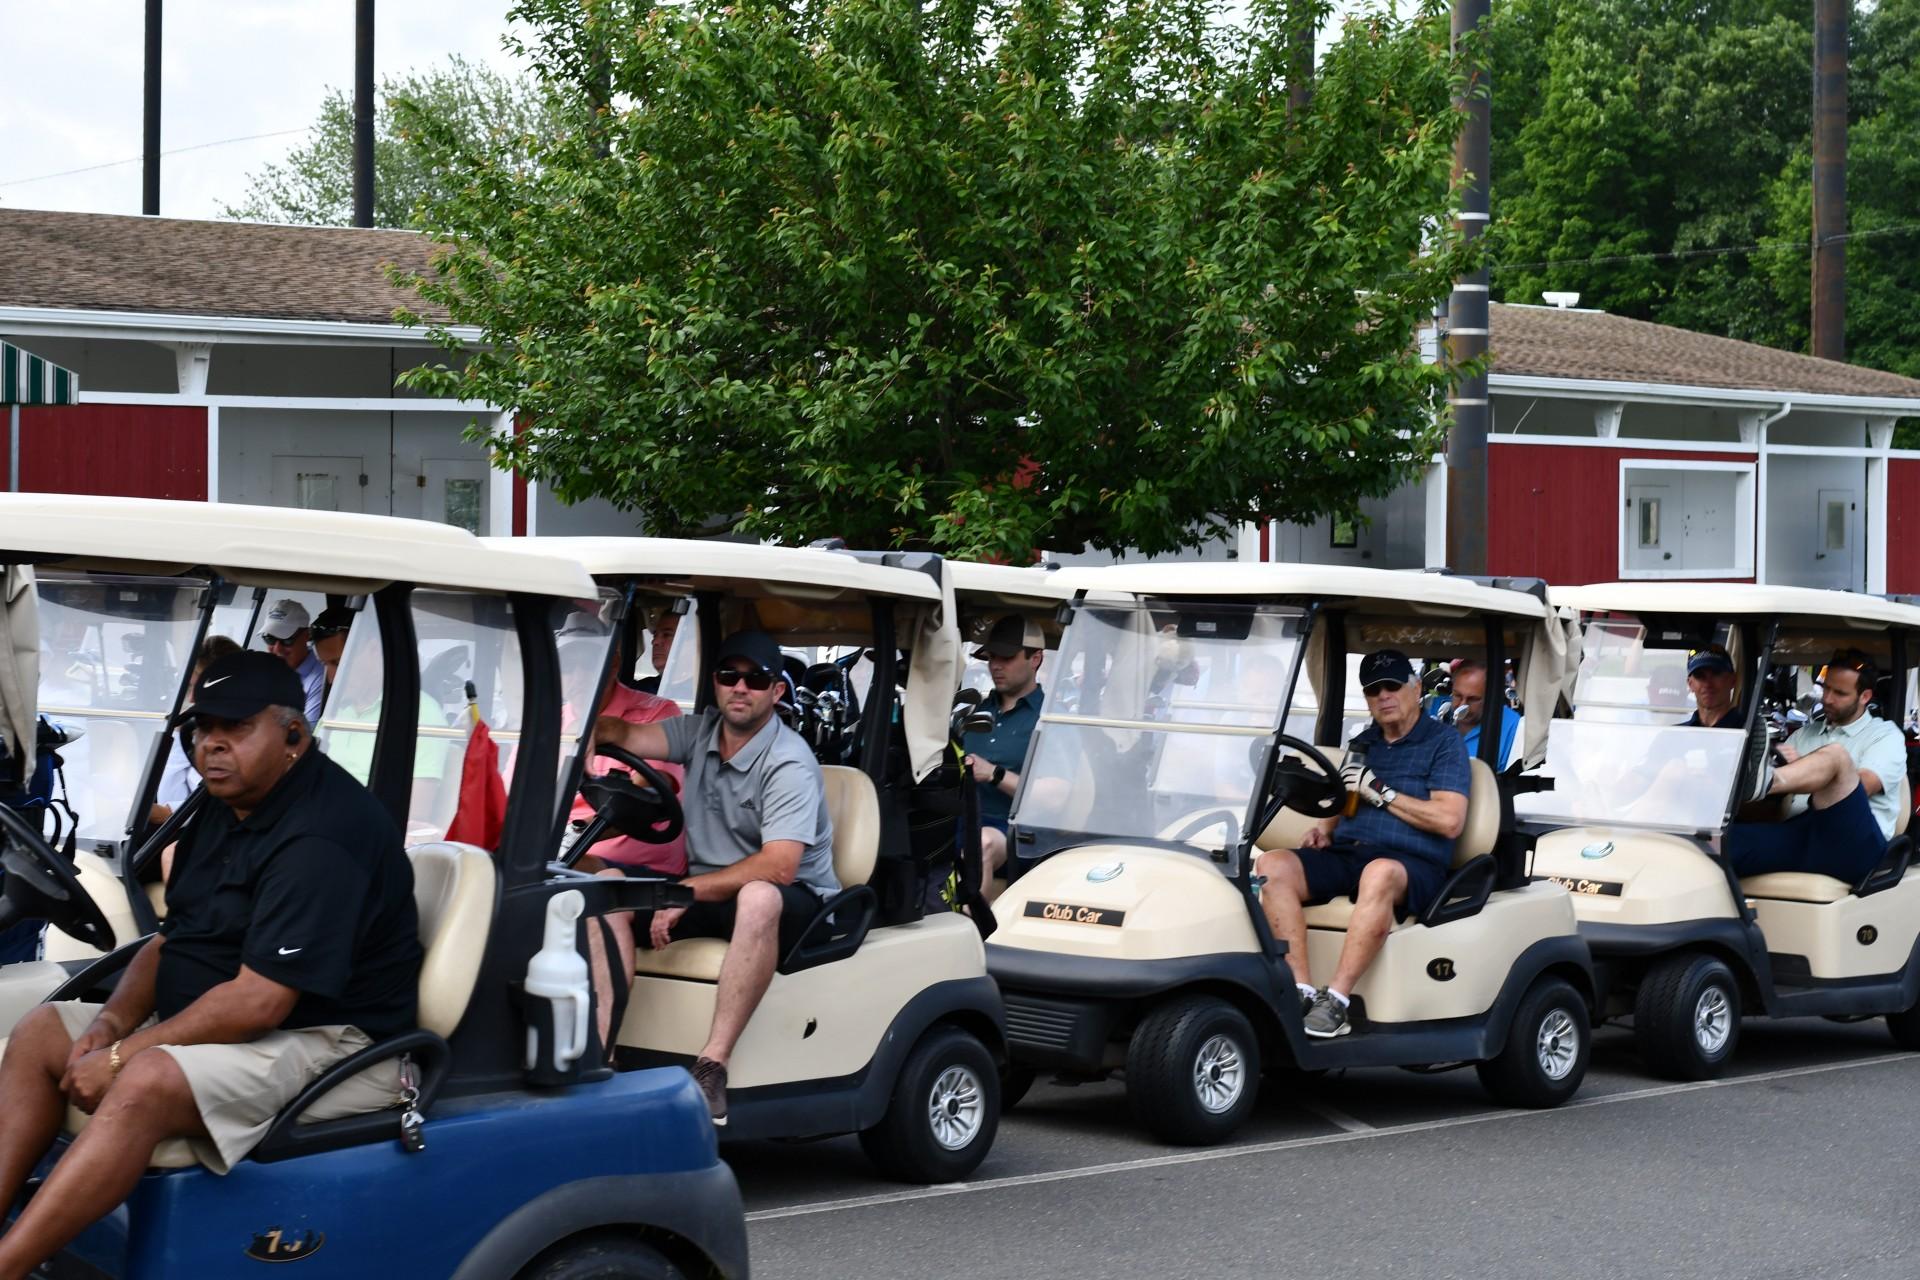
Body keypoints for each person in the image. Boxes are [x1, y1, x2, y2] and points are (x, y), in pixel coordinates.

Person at [0, 652, 420, 1276]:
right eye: (203, 729)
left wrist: (122, 1058)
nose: (212, 746)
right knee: (41, 1032)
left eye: (236, 729)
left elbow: (260, 1003)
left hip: (332, 1038)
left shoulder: (324, 836)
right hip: (232, 1022)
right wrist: (110, 1026)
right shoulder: (224, 809)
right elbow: (174, 942)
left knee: (146, 1082)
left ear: (293, 736)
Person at [592, 629, 837, 1125]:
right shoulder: (699, 732)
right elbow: (624, 735)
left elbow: (779, 866)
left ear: (777, 692)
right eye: (730, 676)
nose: (740, 688)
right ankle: (600, 1057)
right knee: (602, 884)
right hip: (709, 890)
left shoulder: (788, 760)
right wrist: (583, 718)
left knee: (759, 898)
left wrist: (685, 892)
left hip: (798, 902)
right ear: (715, 683)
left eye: (755, 679)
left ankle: (711, 1066)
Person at [1253, 649, 1471, 1039]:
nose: (1383, 696)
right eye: (1373, 691)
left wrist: (1381, 791)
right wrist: (1323, 827)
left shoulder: (1443, 743)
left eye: (1392, 686)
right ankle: (1300, 990)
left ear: (1416, 687)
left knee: (1379, 872)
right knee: (1273, 865)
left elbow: (1450, 821)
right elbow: (1346, 792)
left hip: (1413, 863)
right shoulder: (1364, 741)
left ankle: (1336, 1000)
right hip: (1352, 852)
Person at [1725, 650, 1907, 882]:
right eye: (1826, 688)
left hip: (1856, 843)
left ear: (1864, 697)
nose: (1827, 699)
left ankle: (1768, 780)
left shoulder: (1886, 735)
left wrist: (1799, 768)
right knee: (1720, 845)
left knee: (1836, 758)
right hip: (1801, 832)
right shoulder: (1804, 735)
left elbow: (1864, 786)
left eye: (1839, 693)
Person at [961, 615, 1045, 896]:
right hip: (960, 817)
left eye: (1007, 657)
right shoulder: (971, 711)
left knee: (980, 844)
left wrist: (995, 775)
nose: (996, 665)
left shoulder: (1049, 719)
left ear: (1035, 659)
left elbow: (1056, 795)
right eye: (992, 657)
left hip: (1012, 829)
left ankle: (969, 933)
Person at [149, 634, 242, 827]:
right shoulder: (198, 731)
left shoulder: (244, 737)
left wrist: (167, 812)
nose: (191, 698)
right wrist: (177, 736)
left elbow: (227, 811)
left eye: (199, 687)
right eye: (190, 687)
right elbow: (171, 794)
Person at [259, 599, 326, 726]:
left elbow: (306, 735)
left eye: (287, 640)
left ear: (306, 635)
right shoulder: (266, 672)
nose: (277, 649)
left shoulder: (321, 675)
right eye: (270, 638)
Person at [1448, 660, 1522, 770]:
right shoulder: (1438, 710)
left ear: (1492, 697)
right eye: (1457, 695)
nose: (1462, 705)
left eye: (1473, 699)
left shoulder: (1514, 727)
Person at [1680, 645, 1743, 729]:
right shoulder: (1674, 735)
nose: (1708, 684)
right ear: (1690, 684)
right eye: (1700, 676)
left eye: (1716, 674)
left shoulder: (1751, 731)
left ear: (1732, 681)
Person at [309, 607, 356, 698]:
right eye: (324, 664)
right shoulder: (335, 706)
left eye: (339, 663)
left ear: (373, 650)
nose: (331, 680)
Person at [636, 609, 681, 695]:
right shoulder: (639, 690)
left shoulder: (702, 694)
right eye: (655, 635)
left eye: (667, 635)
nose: (654, 641)